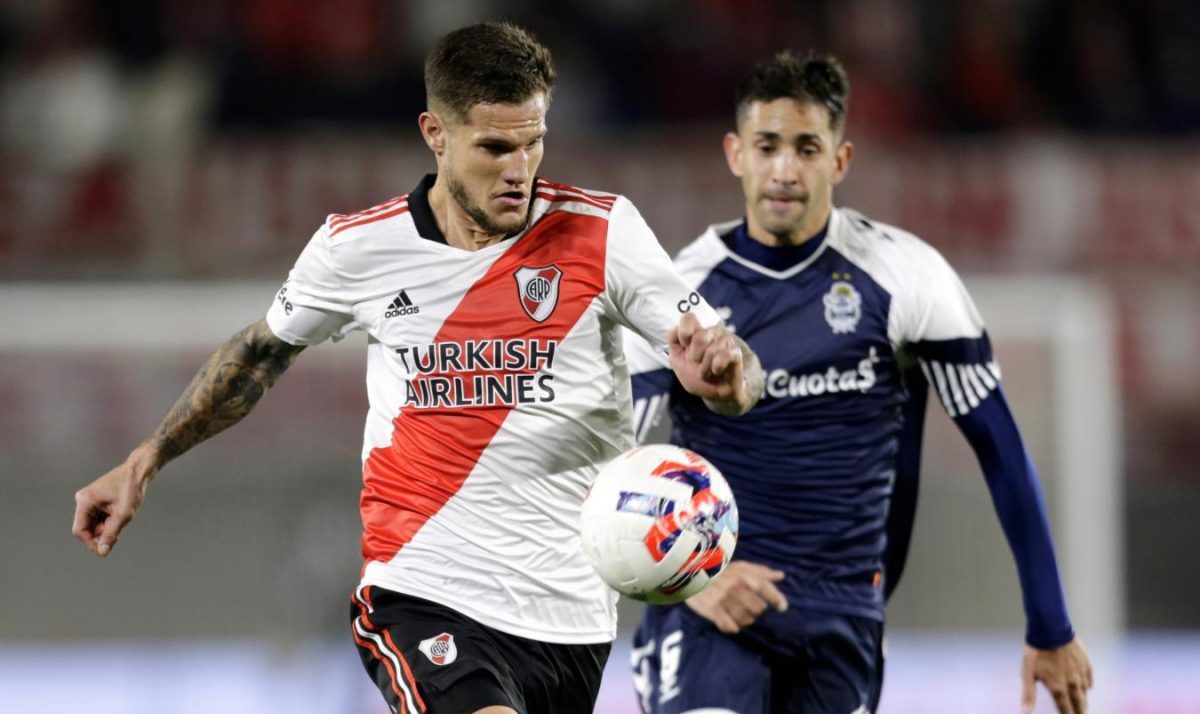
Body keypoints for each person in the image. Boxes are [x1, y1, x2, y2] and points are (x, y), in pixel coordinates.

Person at [71, 22, 765, 714]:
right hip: (424, 589)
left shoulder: (603, 232)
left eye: (533, 143)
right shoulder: (359, 248)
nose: (518, 170)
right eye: (494, 147)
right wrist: (147, 458)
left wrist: (729, 380)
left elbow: (732, 369)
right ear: (436, 133)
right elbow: (259, 354)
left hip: (571, 615)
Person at [625, 51, 1094, 714]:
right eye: (767, 146)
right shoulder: (678, 294)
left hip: (841, 615)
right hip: (713, 610)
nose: (785, 169)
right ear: (735, 153)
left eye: (807, 148)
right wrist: (687, 579)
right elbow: (601, 470)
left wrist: (1051, 626)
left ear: (840, 160)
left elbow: (1001, 451)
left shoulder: (907, 278)